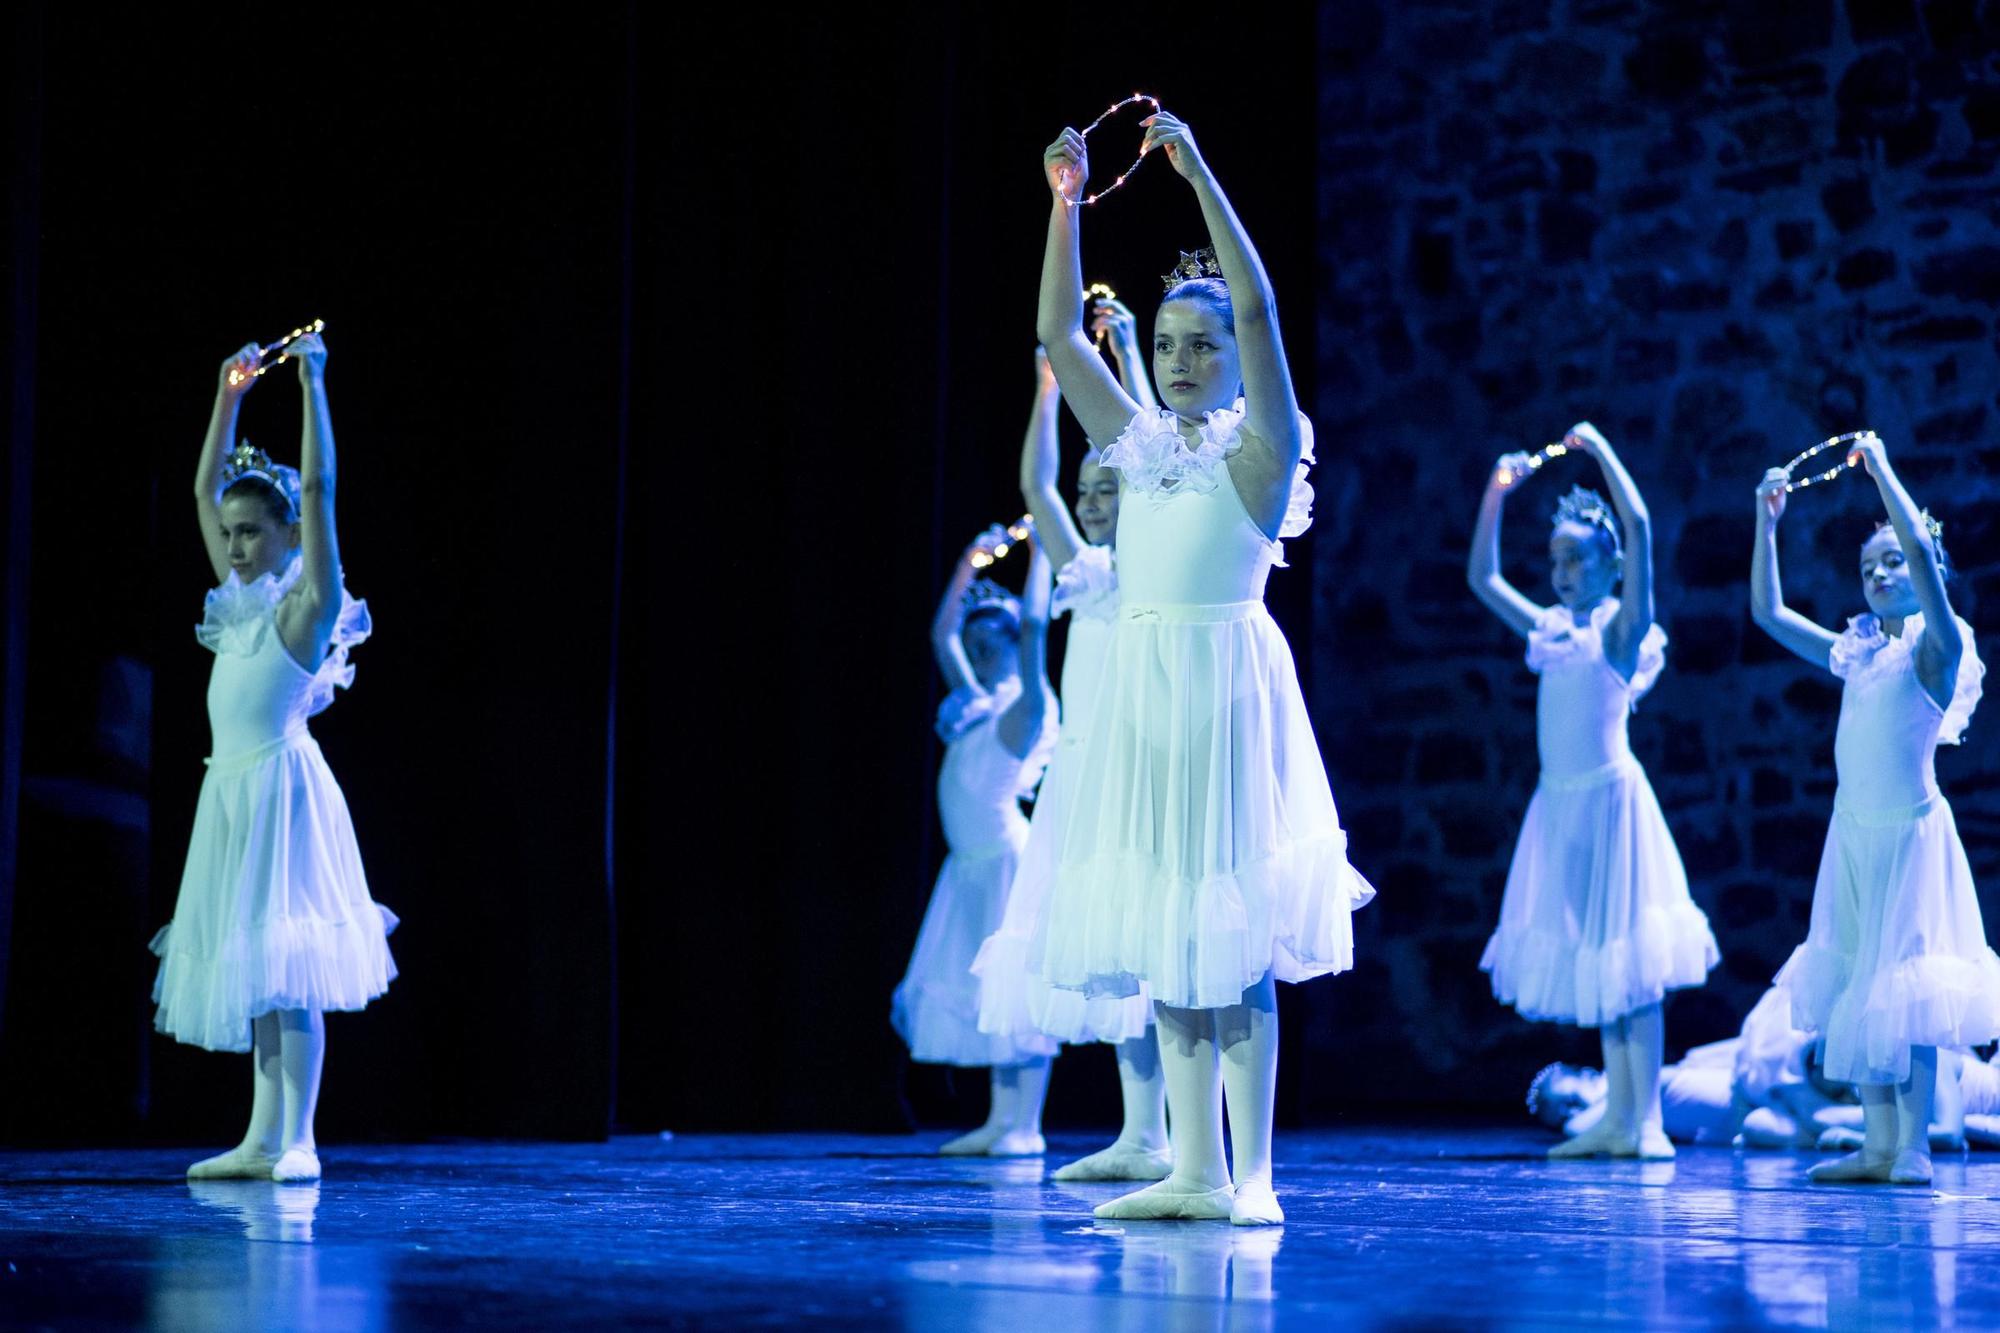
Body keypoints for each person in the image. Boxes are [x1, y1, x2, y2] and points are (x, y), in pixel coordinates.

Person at [1029, 110, 1372, 1225]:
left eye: (1200, 346)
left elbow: (1263, 308)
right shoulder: (1134, 447)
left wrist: (1197, 175)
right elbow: (1058, 338)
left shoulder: (1261, 452)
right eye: (1167, 344)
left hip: (1225, 690)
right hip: (1143, 698)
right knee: (1168, 927)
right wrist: (1066, 203)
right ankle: (1190, 1168)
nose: (1177, 363)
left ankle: (1254, 1175)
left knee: (1229, 938)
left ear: (1232, 361)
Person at [151, 332, 394, 1184]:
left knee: (290, 962)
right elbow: (201, 486)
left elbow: (321, 485)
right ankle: (269, 1137)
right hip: (232, 795)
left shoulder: (304, 611)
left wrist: (313, 383)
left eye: (254, 532)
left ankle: (296, 1139)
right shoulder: (240, 605)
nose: (238, 546)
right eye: (231, 534)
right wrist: (228, 396)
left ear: (292, 534)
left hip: (283, 793)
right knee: (261, 963)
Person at [1751, 433, 2000, 1185]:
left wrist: (1882, 469)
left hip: (1912, 839)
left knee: (1910, 984)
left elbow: (1925, 563)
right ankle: (1878, 1140)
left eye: (1892, 560)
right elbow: (1768, 613)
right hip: (1853, 836)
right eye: (1869, 567)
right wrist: (1766, 523)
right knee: (1858, 977)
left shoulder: (1937, 648)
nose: (1882, 573)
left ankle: (1914, 1142)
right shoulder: (1857, 652)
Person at [1469, 424, 1718, 1160]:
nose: (1564, 571)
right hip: (1562, 808)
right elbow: (1482, 578)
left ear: (1612, 567)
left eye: (1578, 558)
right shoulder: (1552, 631)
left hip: (1612, 807)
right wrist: (1495, 493)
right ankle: (1623, 1117)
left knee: (1633, 962)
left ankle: (1642, 1123)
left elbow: (1639, 524)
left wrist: (1602, 450)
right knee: (1605, 959)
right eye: (1556, 559)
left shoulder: (1619, 632)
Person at [893, 533, 1059, 1155]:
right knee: (986, 989)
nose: (979, 644)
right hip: (967, 869)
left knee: (1017, 986)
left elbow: (1039, 629)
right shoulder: (974, 705)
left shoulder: (1026, 707)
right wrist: (967, 563)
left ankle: (1027, 1125)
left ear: (1014, 644)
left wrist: (1043, 553)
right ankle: (1000, 1119)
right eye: (976, 638)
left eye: (995, 637)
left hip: (1005, 864)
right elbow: (940, 635)